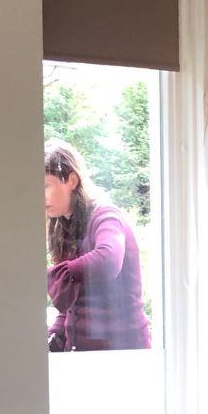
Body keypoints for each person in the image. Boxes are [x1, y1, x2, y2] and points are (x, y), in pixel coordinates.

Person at [44, 138, 151, 352]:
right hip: (86, 353)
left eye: (45, 186)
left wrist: (56, 274)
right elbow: (71, 304)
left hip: (122, 353)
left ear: (72, 180)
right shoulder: (66, 226)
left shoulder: (106, 215)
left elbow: (108, 259)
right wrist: (54, 336)